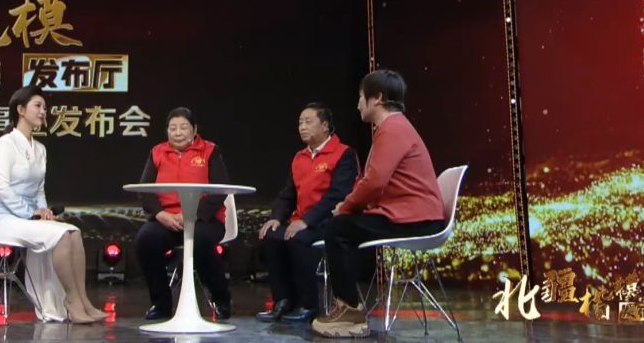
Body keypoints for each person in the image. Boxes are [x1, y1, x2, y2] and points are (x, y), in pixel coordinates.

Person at [312, 71, 446, 338]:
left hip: (418, 219)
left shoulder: (392, 129)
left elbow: (374, 182)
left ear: (378, 99)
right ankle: (348, 306)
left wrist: (346, 207)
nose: (358, 104)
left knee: (337, 228)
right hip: (411, 215)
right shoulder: (395, 127)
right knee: (342, 226)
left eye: (361, 97)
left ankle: (350, 309)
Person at [0, 86, 107, 324]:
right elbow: (1, 188)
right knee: (60, 235)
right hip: (3, 218)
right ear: (21, 110)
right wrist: (32, 213)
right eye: (37, 106)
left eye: (44, 107)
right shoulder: (5, 143)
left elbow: (39, 190)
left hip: (28, 218)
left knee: (73, 232)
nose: (43, 112)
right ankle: (71, 301)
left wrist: (45, 213)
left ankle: (83, 300)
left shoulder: (40, 149)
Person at [256, 103, 359, 323]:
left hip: (329, 221)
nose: (302, 127)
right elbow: (287, 194)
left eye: (308, 122)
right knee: (271, 235)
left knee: (297, 238)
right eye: (300, 122)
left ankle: (308, 304)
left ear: (325, 125)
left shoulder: (344, 154)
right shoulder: (299, 157)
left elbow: (337, 195)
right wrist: (276, 218)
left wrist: (307, 221)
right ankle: (283, 300)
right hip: (301, 220)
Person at [133, 107, 232, 321]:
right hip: (168, 219)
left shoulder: (210, 151)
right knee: (145, 240)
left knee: (200, 241)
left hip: (204, 219)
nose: (177, 132)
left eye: (183, 127)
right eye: (173, 128)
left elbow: (220, 189)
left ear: (194, 130)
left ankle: (221, 299)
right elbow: (144, 190)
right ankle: (161, 304)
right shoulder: (157, 152)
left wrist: (193, 215)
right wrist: (161, 215)